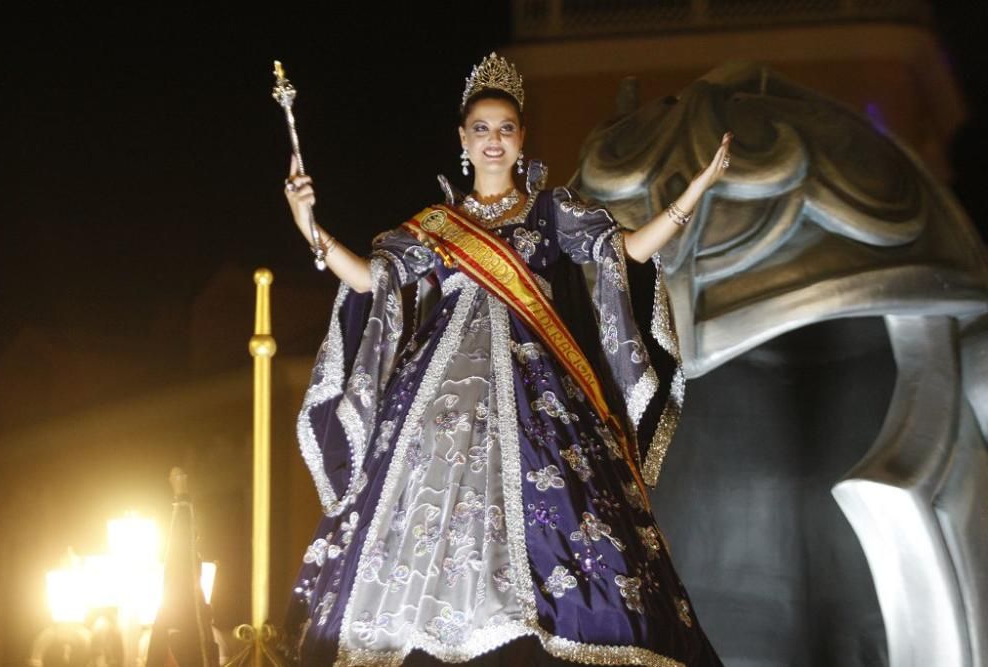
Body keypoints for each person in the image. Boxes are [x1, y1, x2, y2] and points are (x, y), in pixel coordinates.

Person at [281, 52, 730, 667]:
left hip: (538, 380)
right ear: (463, 140)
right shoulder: (438, 225)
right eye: (483, 129)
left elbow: (622, 253)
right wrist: (311, 226)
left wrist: (693, 195)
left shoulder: (550, 212)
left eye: (507, 128)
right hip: (439, 386)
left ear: (522, 140)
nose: (495, 141)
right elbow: (367, 281)